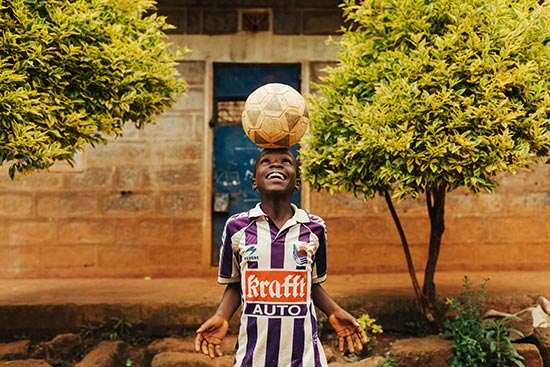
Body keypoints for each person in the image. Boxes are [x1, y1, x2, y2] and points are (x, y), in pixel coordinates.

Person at [195, 148, 367, 367]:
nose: (276, 165)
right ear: (255, 182)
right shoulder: (236, 228)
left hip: (304, 358)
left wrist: (334, 310)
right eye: (266, 161)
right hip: (252, 358)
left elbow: (310, 283)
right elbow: (237, 284)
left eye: (286, 161)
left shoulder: (314, 228)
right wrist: (222, 316)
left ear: (297, 183)